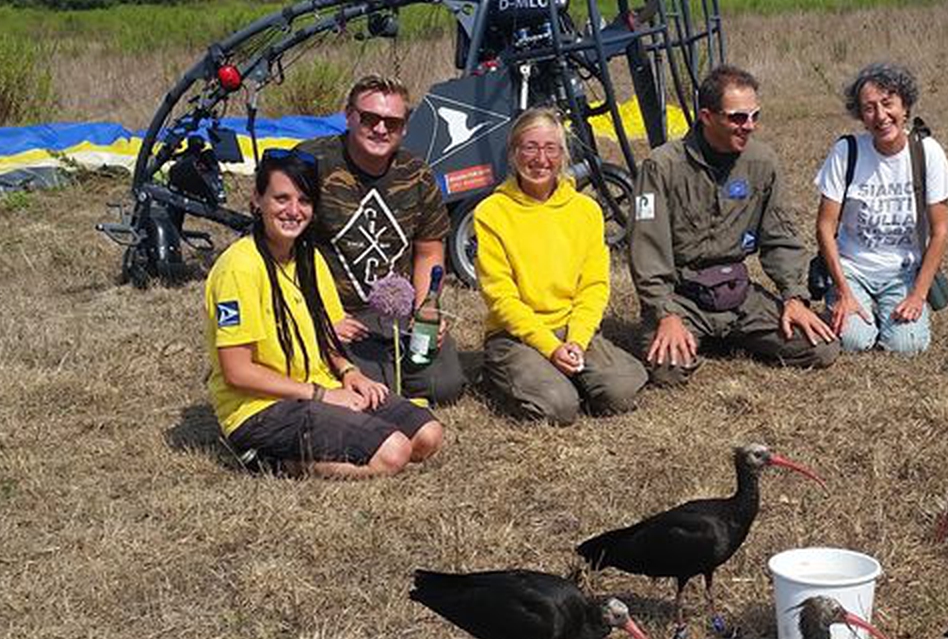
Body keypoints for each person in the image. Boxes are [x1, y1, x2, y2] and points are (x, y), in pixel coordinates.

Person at [203, 148, 443, 477]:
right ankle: (266, 458)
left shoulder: (309, 259)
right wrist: (324, 396)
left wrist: (349, 374)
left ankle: (340, 435)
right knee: (394, 452)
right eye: (281, 198)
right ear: (257, 201)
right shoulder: (240, 268)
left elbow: (326, 335)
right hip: (260, 408)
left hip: (317, 386)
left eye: (304, 201)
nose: (293, 210)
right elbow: (238, 372)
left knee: (428, 436)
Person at [629, 64, 838, 387]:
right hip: (682, 296)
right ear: (707, 116)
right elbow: (647, 249)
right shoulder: (662, 166)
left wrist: (794, 297)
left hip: (737, 293)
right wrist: (665, 313)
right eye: (737, 117)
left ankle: (734, 333)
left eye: (755, 116)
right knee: (667, 371)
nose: (749, 126)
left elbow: (780, 237)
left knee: (821, 348)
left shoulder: (762, 163)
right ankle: (694, 332)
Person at [296, 74, 465, 405]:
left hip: (394, 311)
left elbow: (429, 250)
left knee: (444, 385)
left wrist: (424, 310)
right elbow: (280, 249)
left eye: (392, 122)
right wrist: (318, 316)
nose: (380, 129)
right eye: (369, 118)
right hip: (334, 312)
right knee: (368, 388)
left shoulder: (416, 173)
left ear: (404, 127)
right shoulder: (310, 163)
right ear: (349, 116)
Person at [474, 107, 648, 422]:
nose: (541, 159)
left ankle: (568, 373)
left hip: (572, 329)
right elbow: (500, 298)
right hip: (516, 335)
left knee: (621, 391)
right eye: (530, 147)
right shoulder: (491, 212)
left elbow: (594, 285)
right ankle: (504, 374)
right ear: (514, 153)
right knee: (559, 407)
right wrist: (549, 347)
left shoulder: (586, 210)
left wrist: (577, 340)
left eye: (550, 148)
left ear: (563, 155)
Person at [813, 62, 948, 354]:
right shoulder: (846, 152)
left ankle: (888, 317)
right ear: (861, 116)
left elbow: (941, 230)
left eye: (887, 103)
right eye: (869, 108)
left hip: (903, 271)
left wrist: (918, 295)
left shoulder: (926, 152)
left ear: (905, 106)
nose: (881, 116)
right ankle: (844, 304)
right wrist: (843, 290)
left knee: (907, 345)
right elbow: (825, 227)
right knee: (854, 340)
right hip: (852, 269)